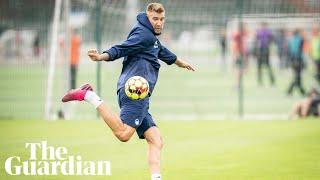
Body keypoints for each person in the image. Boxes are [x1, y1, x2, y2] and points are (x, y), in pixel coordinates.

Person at [61, 3, 195, 180]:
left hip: (140, 93)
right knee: (124, 134)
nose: (159, 23)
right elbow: (122, 48)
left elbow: (162, 51)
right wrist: (102, 56)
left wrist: (180, 62)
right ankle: (88, 95)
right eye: (155, 19)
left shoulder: (151, 37)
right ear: (148, 17)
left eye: (162, 19)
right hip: (135, 91)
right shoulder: (144, 35)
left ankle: (156, 178)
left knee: (155, 139)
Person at [287, 29, 305, 96]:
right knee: (297, 77)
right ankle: (290, 91)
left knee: (297, 77)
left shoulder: (291, 40)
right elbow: (300, 51)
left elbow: (289, 52)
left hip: (293, 60)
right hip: (298, 60)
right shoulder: (300, 40)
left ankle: (301, 91)